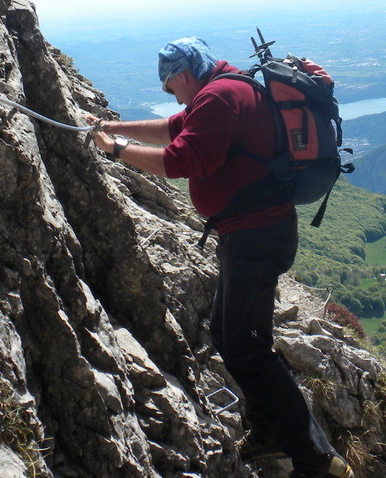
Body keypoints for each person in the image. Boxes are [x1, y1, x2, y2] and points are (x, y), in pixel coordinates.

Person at [88, 37, 354, 478]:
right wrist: (115, 128)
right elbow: (177, 127)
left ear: (184, 75)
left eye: (170, 86)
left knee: (248, 349)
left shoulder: (218, 96)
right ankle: (267, 431)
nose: (170, 94)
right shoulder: (226, 88)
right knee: (230, 338)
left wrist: (113, 150)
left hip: (255, 237)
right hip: (254, 234)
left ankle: (317, 459)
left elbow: (179, 160)